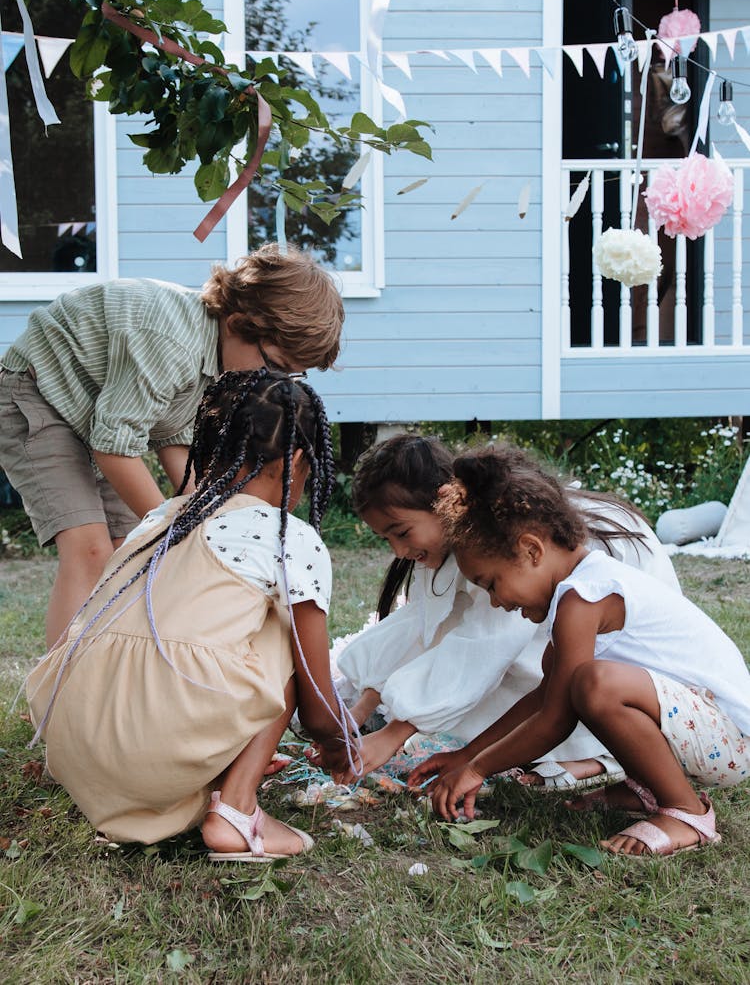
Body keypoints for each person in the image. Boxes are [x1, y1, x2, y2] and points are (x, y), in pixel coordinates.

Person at [26, 369, 359, 861]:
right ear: (296, 462)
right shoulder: (286, 537)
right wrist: (337, 743)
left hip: (76, 749)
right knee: (285, 628)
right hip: (155, 749)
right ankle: (236, 810)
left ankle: (210, 778)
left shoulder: (161, 518)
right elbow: (314, 695)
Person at [409, 445, 750, 858]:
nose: (496, 602)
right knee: (578, 682)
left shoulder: (584, 598)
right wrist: (465, 755)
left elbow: (556, 719)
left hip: (732, 740)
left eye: (492, 583)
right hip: (704, 733)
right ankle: (643, 788)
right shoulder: (576, 595)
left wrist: (479, 769)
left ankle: (686, 812)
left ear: (532, 550)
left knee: (594, 684)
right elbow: (543, 700)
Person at [0, 243, 344, 647]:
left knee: (125, 550)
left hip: (95, 415)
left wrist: (207, 517)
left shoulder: (222, 363)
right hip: (37, 393)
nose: (273, 383)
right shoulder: (172, 345)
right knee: (89, 549)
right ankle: (58, 698)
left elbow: (174, 442)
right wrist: (176, 531)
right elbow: (114, 449)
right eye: (274, 366)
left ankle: (103, 666)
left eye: (290, 376)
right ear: (237, 324)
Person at [335, 433, 680, 788]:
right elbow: (425, 624)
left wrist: (398, 731)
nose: (399, 550)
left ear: (443, 503)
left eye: (402, 532)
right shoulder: (465, 539)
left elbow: (486, 644)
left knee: (467, 715)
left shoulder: (502, 540)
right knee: (451, 708)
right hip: (583, 654)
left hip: (643, 681)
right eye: (387, 539)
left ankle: (593, 757)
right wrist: (362, 708)